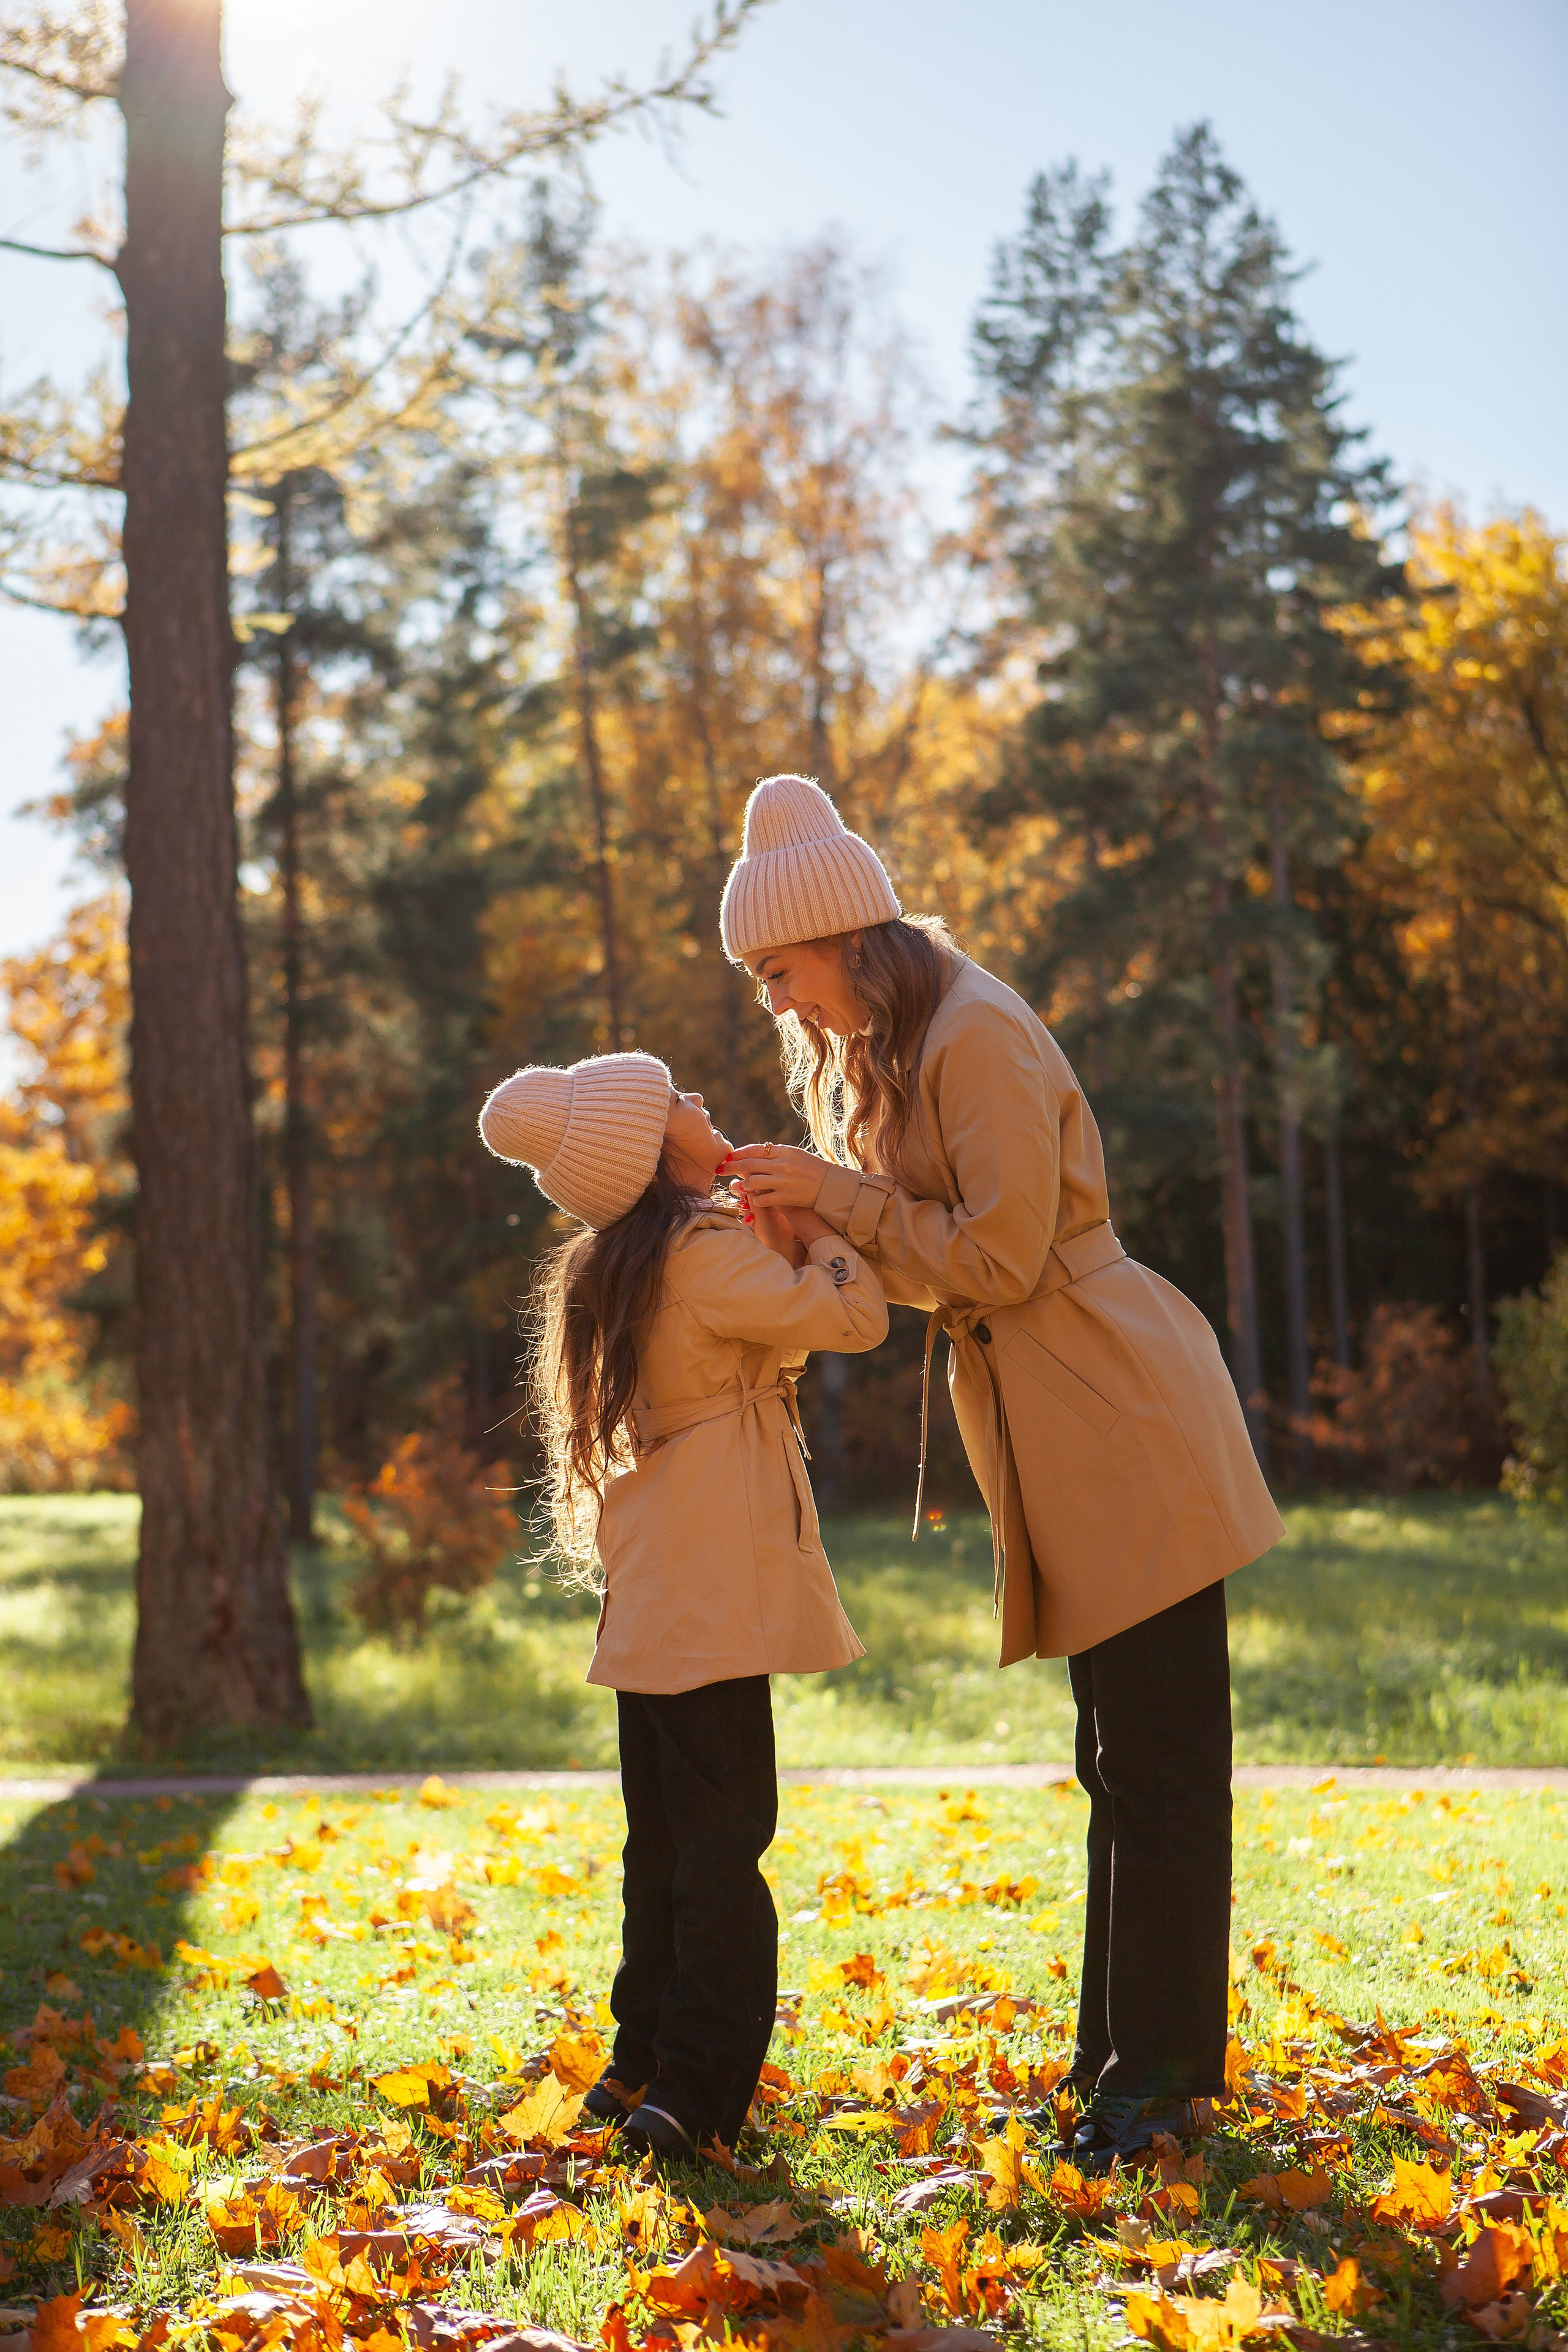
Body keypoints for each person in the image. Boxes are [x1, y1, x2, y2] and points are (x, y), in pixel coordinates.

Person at [721, 775, 1285, 2172]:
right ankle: (1118, 2067)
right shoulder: (908, 1041)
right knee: (1116, 1759)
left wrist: (835, 1194)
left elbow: (998, 1259)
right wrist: (811, 1221)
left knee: (1156, 1766)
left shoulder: (971, 1034)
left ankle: (1155, 2087)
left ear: (845, 934)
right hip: (1062, 1413)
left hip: (1120, 1410)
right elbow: (940, 1258)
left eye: (778, 971)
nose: (776, 1004)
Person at [478, 1047, 886, 2160]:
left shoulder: (619, 1265)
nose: (704, 1103)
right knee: (723, 1843)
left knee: (662, 1839)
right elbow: (853, 1320)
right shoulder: (702, 1253)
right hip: (711, 1588)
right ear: (657, 1150)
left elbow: (773, 1340)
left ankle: (639, 2063)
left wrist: (768, 1223)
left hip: (655, 1586)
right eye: (679, 1102)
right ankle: (699, 2092)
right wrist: (816, 1223)